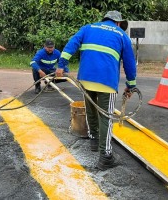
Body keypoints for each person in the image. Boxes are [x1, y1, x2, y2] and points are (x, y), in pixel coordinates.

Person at [56, 10, 137, 170]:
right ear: (118, 23)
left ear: (105, 19)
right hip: (106, 82)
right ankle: (106, 156)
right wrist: (131, 85)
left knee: (91, 109)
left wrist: (61, 65)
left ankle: (94, 140)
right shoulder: (121, 35)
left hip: (86, 78)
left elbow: (71, 44)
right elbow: (129, 63)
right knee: (106, 116)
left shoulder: (88, 28)